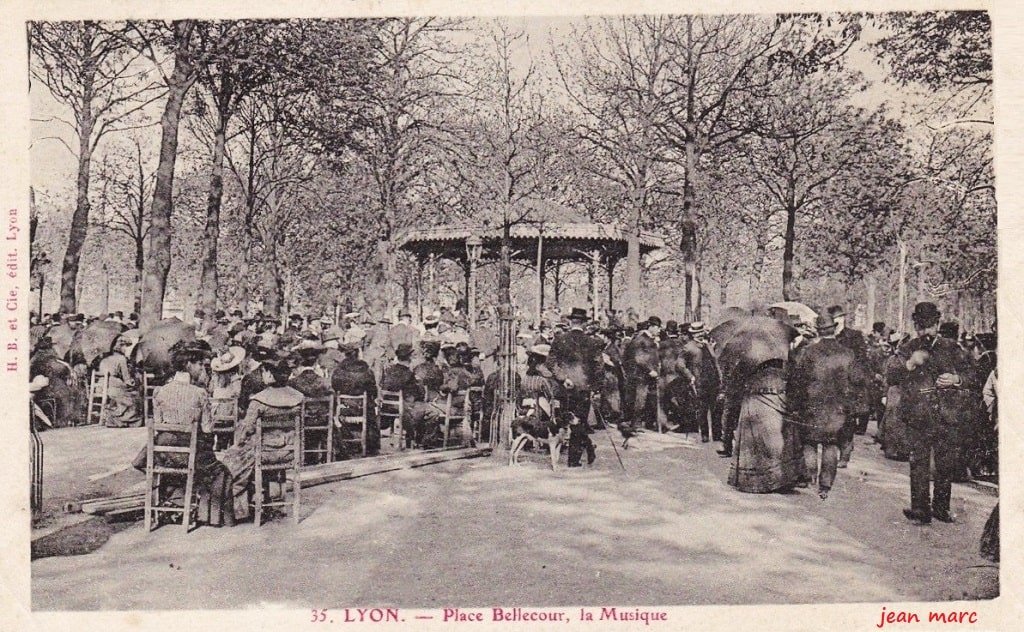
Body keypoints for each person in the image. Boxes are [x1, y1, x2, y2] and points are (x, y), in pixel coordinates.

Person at [887, 302, 974, 524]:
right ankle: (920, 509)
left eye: (929, 326)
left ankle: (941, 508)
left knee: (945, 465)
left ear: (937, 324)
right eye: (921, 326)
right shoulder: (907, 348)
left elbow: (973, 376)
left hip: (946, 414)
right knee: (918, 464)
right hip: (917, 415)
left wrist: (956, 380)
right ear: (915, 325)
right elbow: (891, 375)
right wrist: (909, 363)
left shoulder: (952, 348)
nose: (925, 331)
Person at [131, 341, 233, 527]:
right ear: (188, 365)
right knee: (221, 471)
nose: (203, 369)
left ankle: (172, 502)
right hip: (190, 455)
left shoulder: (160, 392)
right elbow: (207, 429)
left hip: (165, 454)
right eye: (200, 365)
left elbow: (160, 426)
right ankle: (209, 517)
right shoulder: (199, 393)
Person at [219, 358, 305, 523]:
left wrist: (237, 444)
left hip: (264, 454)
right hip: (289, 452)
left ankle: (239, 511)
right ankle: (276, 503)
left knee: (232, 461)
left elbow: (245, 431)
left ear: (270, 374)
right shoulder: (298, 398)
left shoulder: (259, 401)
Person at [789, 315, 861, 499]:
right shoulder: (848, 353)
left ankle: (810, 475)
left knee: (809, 443)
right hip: (837, 408)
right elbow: (857, 381)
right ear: (834, 329)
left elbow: (798, 380)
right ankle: (825, 485)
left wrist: (795, 403)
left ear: (818, 330)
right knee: (831, 445)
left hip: (811, 405)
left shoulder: (808, 352)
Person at [331, 341, 380, 455]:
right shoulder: (367, 371)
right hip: (362, 408)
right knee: (372, 409)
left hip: (343, 408)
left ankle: (344, 442)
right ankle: (370, 445)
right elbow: (373, 390)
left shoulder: (338, 371)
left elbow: (334, 388)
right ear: (358, 354)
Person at [382, 343, 424, 448]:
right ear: (409, 357)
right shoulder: (409, 374)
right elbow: (416, 394)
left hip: (387, 406)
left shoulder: (389, 370)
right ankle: (414, 440)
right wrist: (419, 384)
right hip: (402, 407)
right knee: (422, 409)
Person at [98, 335, 142, 428]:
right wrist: (135, 382)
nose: (126, 349)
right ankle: (123, 420)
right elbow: (127, 379)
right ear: (121, 347)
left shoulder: (105, 359)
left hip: (100, 386)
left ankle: (113, 416)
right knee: (135, 394)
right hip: (113, 388)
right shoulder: (122, 359)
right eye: (126, 346)